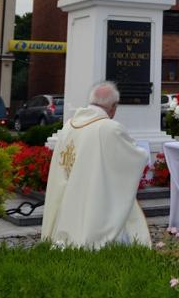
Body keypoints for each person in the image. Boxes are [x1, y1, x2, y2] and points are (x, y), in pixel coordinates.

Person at [41, 81, 151, 248]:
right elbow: (134, 157)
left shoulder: (69, 125)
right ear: (113, 107)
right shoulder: (109, 128)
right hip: (96, 195)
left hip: (69, 190)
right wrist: (143, 153)